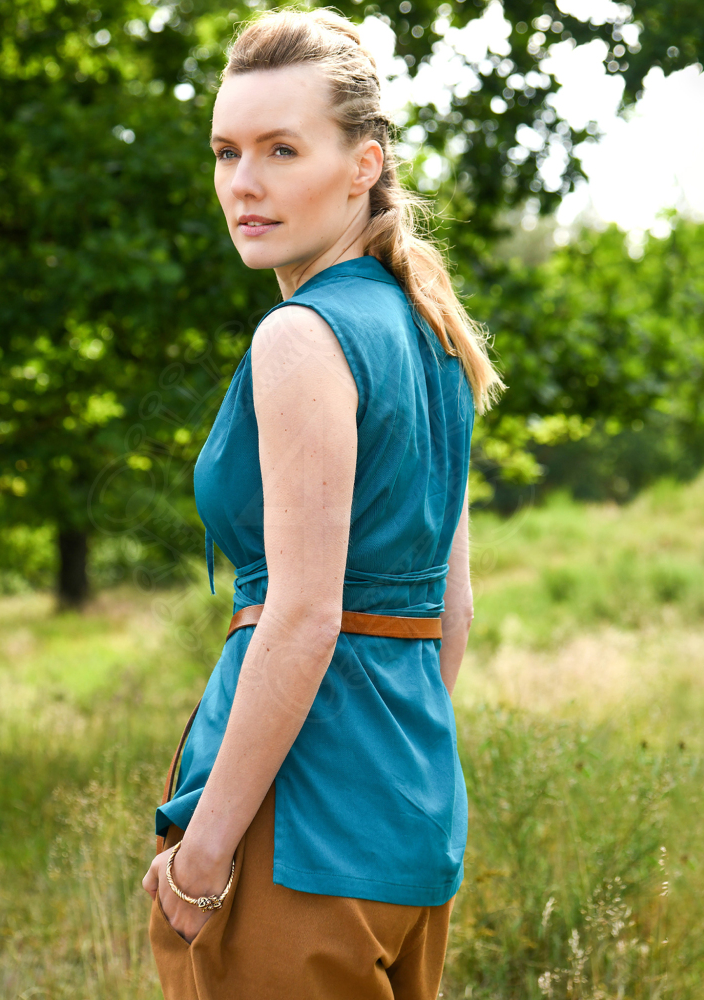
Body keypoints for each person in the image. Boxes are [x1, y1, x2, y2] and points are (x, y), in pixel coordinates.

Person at [142, 8, 506, 999]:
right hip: (407, 816)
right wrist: (388, 775)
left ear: (361, 166)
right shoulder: (432, 334)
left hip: (294, 832)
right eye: (226, 152)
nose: (243, 183)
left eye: (281, 149)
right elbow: (451, 611)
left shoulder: (302, 337)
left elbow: (303, 618)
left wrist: (202, 855)